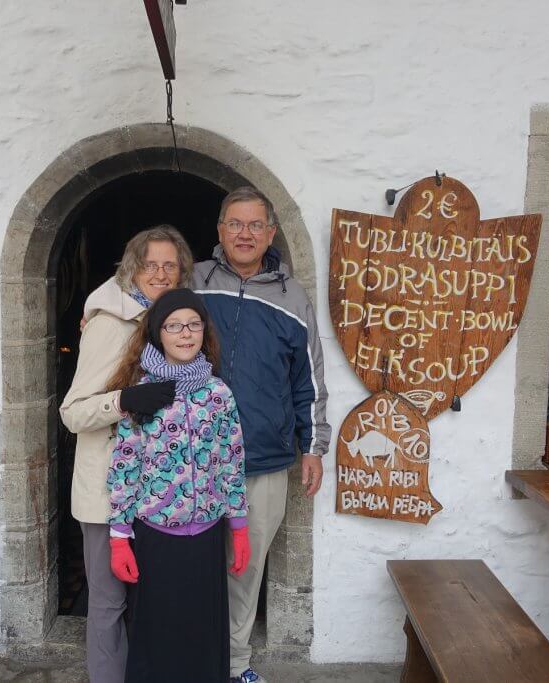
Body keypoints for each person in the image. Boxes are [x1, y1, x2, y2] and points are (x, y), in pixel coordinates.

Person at [193, 187, 330, 683]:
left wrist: (313, 447)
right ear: (220, 231)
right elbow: (142, 313)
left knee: (244, 570)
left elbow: (309, 379)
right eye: (235, 224)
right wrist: (97, 309)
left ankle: (233, 666)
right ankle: (188, 660)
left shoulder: (292, 297)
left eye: (255, 225)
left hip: (265, 458)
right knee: (190, 564)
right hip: (194, 458)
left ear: (271, 233)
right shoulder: (194, 281)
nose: (244, 234)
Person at [59, 225, 194, 683]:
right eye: (149, 264)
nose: (159, 273)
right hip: (106, 495)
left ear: (181, 273)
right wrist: (123, 402)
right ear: (131, 269)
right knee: (108, 602)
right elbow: (72, 413)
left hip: (160, 494)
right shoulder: (108, 323)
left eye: (169, 265)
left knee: (153, 602)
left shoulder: (175, 322)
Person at [105, 288, 251, 683]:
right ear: (158, 334)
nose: (185, 334)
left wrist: (239, 528)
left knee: (201, 638)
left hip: (205, 535)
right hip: (156, 537)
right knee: (160, 638)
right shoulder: (144, 394)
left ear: (204, 331)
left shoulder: (219, 394)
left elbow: (231, 462)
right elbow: (125, 465)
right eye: (173, 326)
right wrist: (119, 536)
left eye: (193, 325)